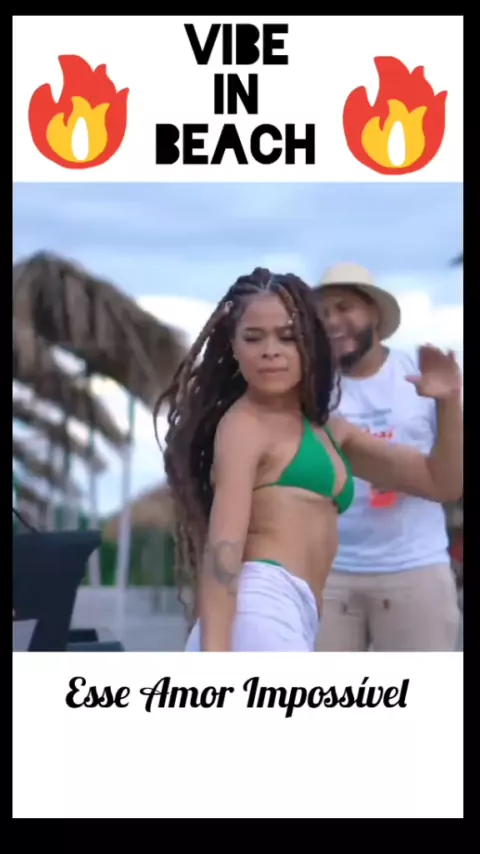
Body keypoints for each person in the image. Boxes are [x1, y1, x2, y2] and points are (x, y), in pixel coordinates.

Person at [153, 267, 463, 652]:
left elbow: (441, 483)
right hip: (259, 607)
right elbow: (223, 552)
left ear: (311, 344)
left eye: (287, 336)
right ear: (234, 347)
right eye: (253, 337)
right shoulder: (244, 426)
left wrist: (448, 402)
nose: (270, 350)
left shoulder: (328, 430)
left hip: (297, 612)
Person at [312, 262, 463, 652]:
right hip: (328, 572)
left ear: (375, 314)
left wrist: (449, 403)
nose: (333, 321)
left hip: (415, 569)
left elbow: (452, 481)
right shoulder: (309, 389)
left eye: (344, 307)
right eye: (323, 313)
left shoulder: (419, 378)